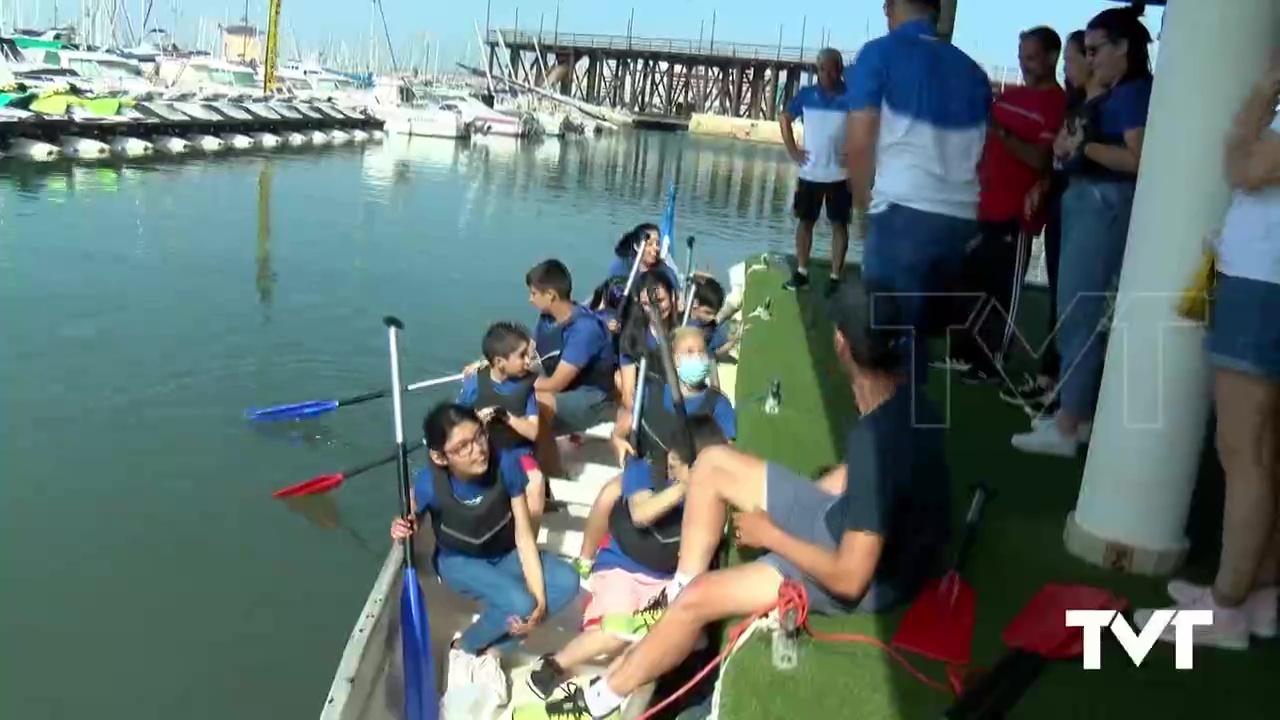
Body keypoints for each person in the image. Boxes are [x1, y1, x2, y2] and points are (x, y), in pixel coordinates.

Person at [525, 280, 953, 720]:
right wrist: (804, 502)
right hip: (841, 522)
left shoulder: (876, 439)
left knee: (700, 600)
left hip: (867, 577)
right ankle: (677, 592)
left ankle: (598, 700)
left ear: (841, 343)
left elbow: (849, 578)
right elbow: (868, 478)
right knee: (712, 462)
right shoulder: (910, 400)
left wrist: (775, 534)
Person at [1132, 59, 1280, 651]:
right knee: (1266, 453)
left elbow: (1243, 168)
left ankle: (1224, 609)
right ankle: (1258, 595)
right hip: (1263, 284)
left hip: (1263, 287)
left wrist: (1260, 95)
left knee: (1244, 453)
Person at [1011, 8, 1153, 457]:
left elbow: (1139, 159)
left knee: (1079, 313)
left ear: (1122, 49)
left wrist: (1082, 147)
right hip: (1091, 201)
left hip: (1101, 204)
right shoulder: (1119, 94)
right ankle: (1077, 414)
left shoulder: (1131, 94)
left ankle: (1069, 425)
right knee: (1079, 312)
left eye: (1094, 51)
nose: (1089, 61)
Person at [518, 415, 731, 704]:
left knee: (665, 638)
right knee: (619, 631)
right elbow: (641, 513)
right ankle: (555, 664)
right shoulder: (642, 466)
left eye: (679, 460)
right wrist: (683, 487)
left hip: (664, 579)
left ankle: (603, 687)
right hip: (621, 567)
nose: (670, 460)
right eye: (672, 454)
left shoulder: (709, 492)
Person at [389, 403, 581, 703]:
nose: (478, 450)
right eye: (462, 447)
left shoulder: (505, 465)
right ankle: (464, 647)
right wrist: (403, 525)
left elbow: (524, 535)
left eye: (480, 437)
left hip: (505, 553)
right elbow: (410, 514)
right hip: (457, 561)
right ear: (440, 457)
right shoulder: (430, 483)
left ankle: (495, 650)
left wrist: (542, 603)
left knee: (567, 582)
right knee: (519, 601)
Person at [843, 0, 992, 386]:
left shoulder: (878, 54)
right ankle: (914, 434)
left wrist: (862, 208)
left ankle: (887, 440)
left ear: (891, 6)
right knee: (919, 340)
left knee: (883, 345)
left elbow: (859, 143)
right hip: (959, 222)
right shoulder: (973, 71)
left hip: (903, 214)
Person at [938, 26, 1066, 386]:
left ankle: (991, 363)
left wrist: (1004, 134)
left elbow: (1042, 160)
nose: (1023, 63)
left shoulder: (1055, 104)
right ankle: (962, 354)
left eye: (1030, 57)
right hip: (981, 206)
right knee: (967, 281)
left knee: (1001, 291)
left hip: (1016, 216)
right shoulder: (1009, 97)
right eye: (1021, 54)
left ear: (1051, 58)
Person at [572, 327, 737, 579]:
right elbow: (624, 426)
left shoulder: (718, 404)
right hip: (649, 465)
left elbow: (727, 450)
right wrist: (618, 440)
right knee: (608, 495)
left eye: (701, 352)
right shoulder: (652, 392)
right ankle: (585, 557)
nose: (696, 358)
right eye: (688, 352)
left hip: (689, 472)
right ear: (673, 360)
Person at [1000, 30, 1098, 413]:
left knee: (1076, 301)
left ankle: (1068, 400)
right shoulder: (1077, 104)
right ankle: (1049, 380)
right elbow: (1058, 161)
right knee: (1061, 295)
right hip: (1063, 206)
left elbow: (1060, 156)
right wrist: (1046, 181)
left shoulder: (1095, 107)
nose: (1075, 66)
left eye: (1080, 58)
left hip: (1088, 211)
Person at [526, 260, 619, 476]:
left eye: (533, 293)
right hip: (565, 387)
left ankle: (551, 471)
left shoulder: (583, 330)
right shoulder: (547, 318)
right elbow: (528, 353)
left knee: (539, 404)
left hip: (593, 399)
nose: (530, 299)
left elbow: (555, 384)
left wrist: (519, 384)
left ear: (550, 295)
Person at [457, 321, 546, 530]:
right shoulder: (475, 383)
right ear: (500, 362)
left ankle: (527, 544)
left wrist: (506, 417)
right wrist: (477, 419)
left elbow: (533, 432)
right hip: (484, 450)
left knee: (536, 482)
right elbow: (457, 421)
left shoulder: (527, 388)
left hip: (518, 452)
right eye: (522, 356)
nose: (528, 361)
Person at [780, 48, 853, 296]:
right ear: (817, 70)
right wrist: (793, 151)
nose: (828, 74)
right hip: (810, 174)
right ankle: (801, 272)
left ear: (840, 70)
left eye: (833, 69)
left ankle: (835, 276)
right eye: (823, 69)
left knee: (840, 226)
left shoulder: (853, 97)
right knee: (805, 223)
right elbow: (785, 118)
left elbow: (870, 125)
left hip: (841, 175)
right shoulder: (806, 95)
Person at [616, 269, 679, 413]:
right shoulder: (633, 338)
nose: (654, 309)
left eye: (660, 301)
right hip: (646, 406)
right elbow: (628, 392)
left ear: (672, 296)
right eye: (646, 304)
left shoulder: (684, 333)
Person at [606, 223, 680, 292]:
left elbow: (676, 296)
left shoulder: (666, 272)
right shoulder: (621, 267)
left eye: (657, 244)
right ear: (636, 246)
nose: (656, 248)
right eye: (650, 244)